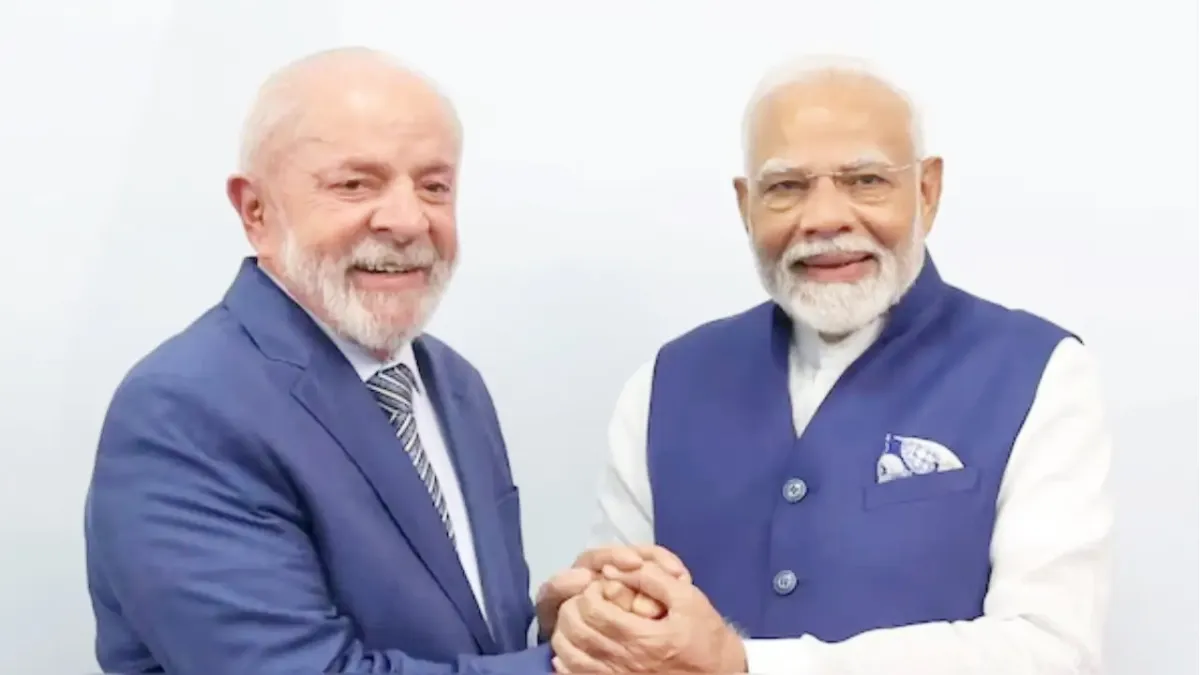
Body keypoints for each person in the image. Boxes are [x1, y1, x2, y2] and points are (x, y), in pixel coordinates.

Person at [83, 46, 673, 675]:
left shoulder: (452, 385)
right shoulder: (184, 411)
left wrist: (568, 628)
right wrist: (590, 668)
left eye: (434, 186)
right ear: (255, 211)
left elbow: (467, 643)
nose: (406, 220)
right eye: (355, 184)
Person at [548, 55, 1115, 674]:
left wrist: (745, 665)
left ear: (927, 191)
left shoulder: (1039, 374)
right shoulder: (665, 384)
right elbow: (615, 632)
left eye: (865, 180)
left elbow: (1050, 650)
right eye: (786, 187)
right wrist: (577, 619)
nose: (824, 219)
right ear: (746, 205)